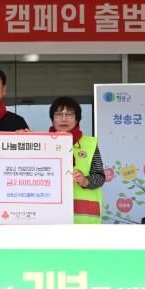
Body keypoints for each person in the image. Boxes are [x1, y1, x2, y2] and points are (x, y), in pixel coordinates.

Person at [49, 96, 105, 224]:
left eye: (69, 114)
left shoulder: (89, 143)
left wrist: (85, 180)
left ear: (77, 119)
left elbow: (100, 177)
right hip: (51, 215)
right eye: (58, 114)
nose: (64, 119)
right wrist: (21, 137)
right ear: (52, 119)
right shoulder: (42, 142)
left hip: (83, 218)